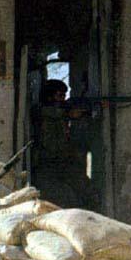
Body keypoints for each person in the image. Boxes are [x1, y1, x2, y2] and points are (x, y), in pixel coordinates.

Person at [34, 79, 98, 210]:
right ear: (49, 96)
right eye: (60, 95)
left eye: (64, 95)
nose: (63, 99)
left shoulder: (59, 112)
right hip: (47, 163)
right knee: (59, 199)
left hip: (61, 161)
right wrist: (69, 113)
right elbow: (51, 113)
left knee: (85, 192)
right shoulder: (41, 110)